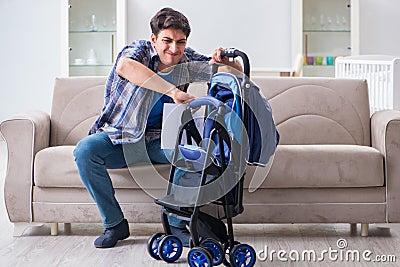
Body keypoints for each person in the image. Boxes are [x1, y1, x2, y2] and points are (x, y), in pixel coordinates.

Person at [73, 7, 242, 248]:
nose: (174, 49)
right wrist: (172, 91)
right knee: (84, 152)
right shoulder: (139, 51)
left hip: (158, 141)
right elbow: (125, 67)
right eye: (167, 41)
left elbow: (232, 77)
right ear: (154, 39)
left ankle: (176, 223)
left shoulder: (187, 60)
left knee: (194, 156)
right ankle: (114, 224)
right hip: (121, 137)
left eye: (180, 42)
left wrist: (229, 63)